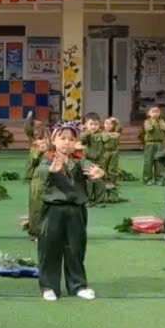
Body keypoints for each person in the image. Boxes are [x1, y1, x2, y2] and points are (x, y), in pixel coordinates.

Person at [35, 123, 103, 302]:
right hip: (53, 210)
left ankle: (78, 285)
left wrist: (98, 172)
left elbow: (91, 167)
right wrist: (52, 171)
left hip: (76, 211)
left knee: (75, 248)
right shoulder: (47, 159)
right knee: (50, 248)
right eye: (63, 138)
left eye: (71, 139)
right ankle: (49, 286)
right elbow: (42, 172)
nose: (67, 142)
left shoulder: (80, 161)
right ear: (54, 140)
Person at [25, 127, 51, 241]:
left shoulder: (53, 151)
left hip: (50, 183)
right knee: (36, 208)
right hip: (37, 183)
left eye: (45, 138)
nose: (43, 141)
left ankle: (49, 231)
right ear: (34, 141)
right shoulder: (34, 151)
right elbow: (29, 169)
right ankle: (35, 233)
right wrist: (38, 152)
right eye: (40, 139)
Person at [142, 106, 165, 186]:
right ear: (149, 113)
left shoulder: (161, 121)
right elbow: (149, 129)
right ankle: (147, 179)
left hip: (160, 143)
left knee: (160, 162)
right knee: (148, 162)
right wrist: (157, 123)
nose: (155, 113)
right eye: (153, 112)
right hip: (150, 143)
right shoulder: (147, 121)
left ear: (160, 113)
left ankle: (159, 179)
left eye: (157, 112)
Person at [79, 113, 107, 206]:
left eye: (96, 124)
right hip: (88, 161)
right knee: (89, 180)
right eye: (91, 124)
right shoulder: (86, 135)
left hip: (99, 161)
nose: (93, 126)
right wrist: (87, 132)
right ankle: (88, 199)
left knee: (99, 180)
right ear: (85, 125)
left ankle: (100, 200)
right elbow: (82, 138)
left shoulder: (102, 135)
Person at [101, 117, 125, 203]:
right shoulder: (102, 134)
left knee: (113, 171)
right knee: (103, 171)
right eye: (106, 123)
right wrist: (111, 135)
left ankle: (112, 191)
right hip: (104, 153)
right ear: (103, 125)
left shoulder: (116, 133)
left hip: (114, 153)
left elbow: (120, 128)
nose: (108, 125)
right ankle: (102, 191)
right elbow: (104, 138)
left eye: (111, 124)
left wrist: (116, 121)